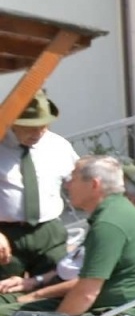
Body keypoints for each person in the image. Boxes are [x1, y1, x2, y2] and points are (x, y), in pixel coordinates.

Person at [0, 155, 135, 316]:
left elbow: (86, 294)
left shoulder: (109, 223)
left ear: (94, 184)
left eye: (73, 178)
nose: (67, 185)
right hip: (109, 308)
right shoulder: (115, 210)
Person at [0, 92, 77, 286]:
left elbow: (80, 184)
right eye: (30, 128)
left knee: (55, 287)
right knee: (5, 293)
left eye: (43, 126)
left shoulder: (58, 146)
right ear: (13, 122)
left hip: (49, 232)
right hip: (6, 236)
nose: (38, 133)